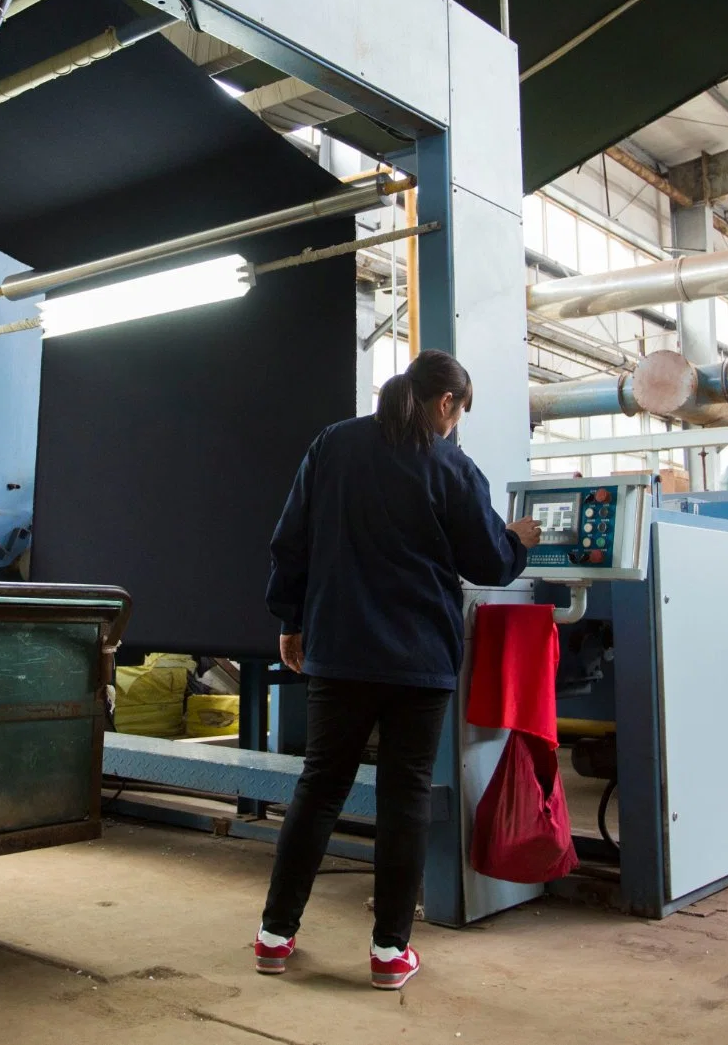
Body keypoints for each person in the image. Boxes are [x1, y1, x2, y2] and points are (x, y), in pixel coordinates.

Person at [254, 348, 540, 990]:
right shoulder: (451, 465)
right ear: (447, 403)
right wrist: (518, 542)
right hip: (418, 658)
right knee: (403, 796)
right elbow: (489, 564)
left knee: (320, 785)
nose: (456, 424)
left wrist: (290, 621)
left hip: (339, 648)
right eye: (460, 413)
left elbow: (290, 541)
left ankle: (274, 936)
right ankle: (389, 953)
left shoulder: (332, 445)